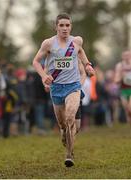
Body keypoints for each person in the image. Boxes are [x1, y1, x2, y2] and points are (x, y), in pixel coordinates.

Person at [33, 13, 95, 167]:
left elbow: (80, 52)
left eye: (67, 25)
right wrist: (43, 76)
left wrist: (87, 65)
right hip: (56, 88)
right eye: (61, 25)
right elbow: (35, 61)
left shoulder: (77, 41)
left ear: (71, 26)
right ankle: (64, 134)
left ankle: (69, 154)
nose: (65, 28)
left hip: (73, 86)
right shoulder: (48, 43)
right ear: (56, 27)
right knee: (62, 124)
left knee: (70, 118)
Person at [114, 50, 131, 123]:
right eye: (125, 55)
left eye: (128, 55)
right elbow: (116, 80)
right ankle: (129, 120)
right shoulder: (119, 66)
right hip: (123, 89)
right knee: (126, 108)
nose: (127, 57)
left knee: (130, 107)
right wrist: (121, 76)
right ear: (122, 57)